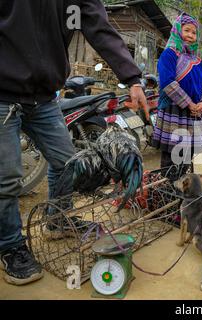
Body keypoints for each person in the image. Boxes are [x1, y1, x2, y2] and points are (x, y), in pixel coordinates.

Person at [0, 0, 149, 286]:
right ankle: (10, 247)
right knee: (6, 179)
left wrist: (132, 77)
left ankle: (56, 220)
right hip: (3, 93)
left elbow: (98, 26)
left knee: (68, 163)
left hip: (44, 97)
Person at [152, 13, 202, 176]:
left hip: (193, 115)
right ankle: (166, 195)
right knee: (170, 160)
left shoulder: (197, 60)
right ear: (177, 30)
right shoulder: (169, 55)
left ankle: (182, 193)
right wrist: (189, 103)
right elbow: (167, 83)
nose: (191, 36)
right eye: (187, 30)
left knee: (186, 160)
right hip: (174, 112)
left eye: (194, 33)